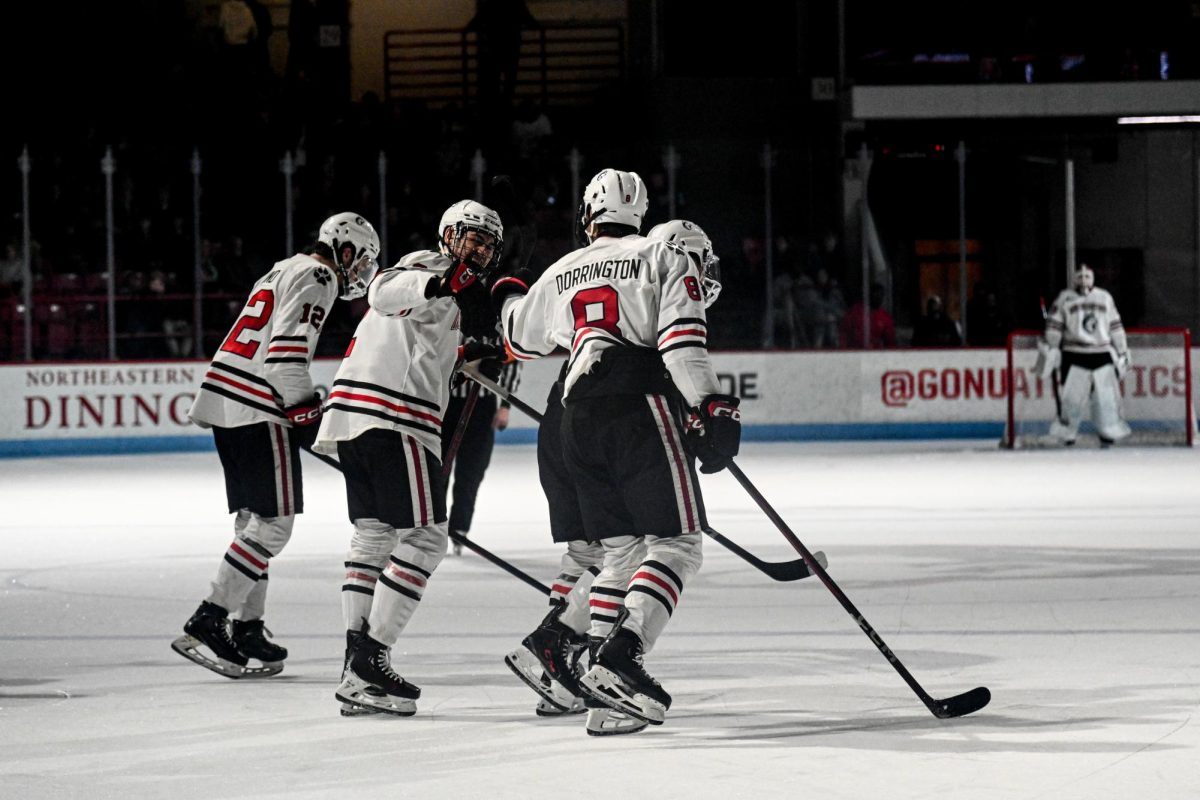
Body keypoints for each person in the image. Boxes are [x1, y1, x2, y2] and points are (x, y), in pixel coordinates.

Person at [494, 171, 739, 735]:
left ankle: (599, 688)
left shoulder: (563, 269)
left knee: (622, 553)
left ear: (588, 214)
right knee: (677, 544)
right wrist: (709, 405)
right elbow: (681, 345)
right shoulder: (662, 254)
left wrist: (505, 281)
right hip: (636, 404)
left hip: (575, 415)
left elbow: (516, 335)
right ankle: (622, 658)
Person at [315, 200, 504, 716]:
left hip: (353, 415)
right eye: (472, 236)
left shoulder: (455, 285)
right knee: (424, 537)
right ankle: (370, 658)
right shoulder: (431, 265)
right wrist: (446, 283)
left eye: (487, 242)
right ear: (448, 234)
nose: (480, 248)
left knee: (375, 533)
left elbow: (423, 337)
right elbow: (383, 290)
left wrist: (471, 355)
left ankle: (356, 668)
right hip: (396, 418)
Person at [173, 212, 380, 679]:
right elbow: (284, 362)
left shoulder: (283, 267)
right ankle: (211, 617)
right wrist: (309, 416)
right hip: (256, 407)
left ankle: (246, 627)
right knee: (273, 526)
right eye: (363, 260)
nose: (362, 271)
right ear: (343, 250)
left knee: (254, 521)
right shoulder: (319, 275)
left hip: (226, 400)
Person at [1036, 263, 1131, 445]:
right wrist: (1053, 345)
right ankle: (1067, 432)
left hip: (1101, 352)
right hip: (1074, 353)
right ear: (1074, 278)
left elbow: (1115, 326)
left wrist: (1122, 349)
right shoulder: (1064, 299)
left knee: (1106, 397)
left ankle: (1108, 429)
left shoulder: (1104, 297)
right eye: (1080, 276)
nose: (1084, 280)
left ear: (1093, 278)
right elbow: (1054, 326)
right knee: (1071, 398)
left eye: (1087, 276)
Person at [441, 349, 520, 557]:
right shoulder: (447, 319)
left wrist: (505, 405)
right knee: (437, 471)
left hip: (481, 406)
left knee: (471, 472)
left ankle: (459, 529)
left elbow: (512, 361)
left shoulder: (497, 323)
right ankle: (433, 529)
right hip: (445, 404)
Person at [840, 281, 895, 349]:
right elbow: (844, 332)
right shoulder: (855, 312)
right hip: (855, 352)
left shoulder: (885, 318)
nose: (879, 298)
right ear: (869, 295)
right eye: (876, 294)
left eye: (881, 295)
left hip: (875, 354)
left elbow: (890, 341)